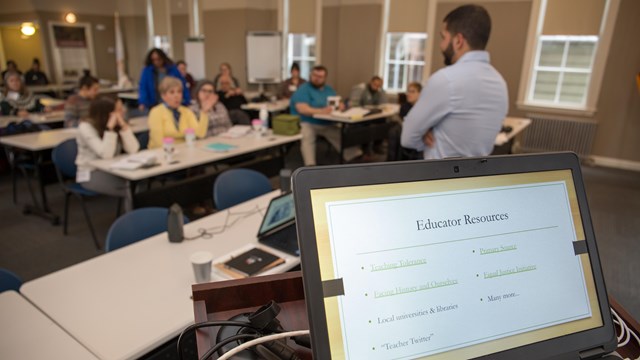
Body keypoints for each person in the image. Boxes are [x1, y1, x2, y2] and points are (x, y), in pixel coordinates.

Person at [401, 4, 508, 159]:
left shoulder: (446, 80)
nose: (441, 45)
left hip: (440, 178)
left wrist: (425, 133)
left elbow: (407, 138)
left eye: (443, 37)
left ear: (458, 41)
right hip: (478, 178)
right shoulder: (500, 84)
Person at [290, 65, 362, 166]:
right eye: (314, 75)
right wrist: (321, 111)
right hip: (306, 122)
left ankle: (355, 156)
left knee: (340, 134)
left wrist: (341, 106)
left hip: (325, 123)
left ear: (325, 78)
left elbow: (338, 102)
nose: (317, 78)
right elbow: (302, 109)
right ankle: (310, 166)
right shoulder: (303, 89)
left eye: (320, 77)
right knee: (307, 136)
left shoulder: (329, 90)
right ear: (311, 75)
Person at [76, 97, 140, 211]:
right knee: (130, 188)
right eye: (119, 109)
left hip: (113, 168)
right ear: (108, 113)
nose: (124, 111)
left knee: (138, 185)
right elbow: (106, 154)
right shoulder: (85, 127)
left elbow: (134, 149)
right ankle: (134, 225)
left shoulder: (117, 122)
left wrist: (123, 126)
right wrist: (109, 129)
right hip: (90, 172)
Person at [147, 76, 213, 149]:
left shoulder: (187, 111)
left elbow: (200, 134)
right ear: (163, 96)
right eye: (172, 92)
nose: (176, 96)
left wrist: (204, 112)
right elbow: (158, 142)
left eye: (179, 92)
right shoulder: (156, 112)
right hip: (161, 153)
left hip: (183, 151)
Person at [387, 82, 423, 161]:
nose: (409, 94)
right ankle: (391, 160)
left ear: (420, 94)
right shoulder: (404, 106)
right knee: (393, 131)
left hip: (419, 132)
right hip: (405, 129)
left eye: (412, 91)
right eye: (408, 91)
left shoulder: (424, 107)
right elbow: (402, 121)